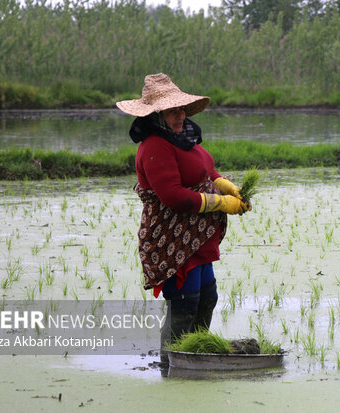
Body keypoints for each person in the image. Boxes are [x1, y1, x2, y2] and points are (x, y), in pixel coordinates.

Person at [116, 73, 250, 365]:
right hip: (172, 236)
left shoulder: (184, 137)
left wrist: (226, 185)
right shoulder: (155, 145)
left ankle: (198, 353)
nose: (180, 115)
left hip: (197, 234)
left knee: (207, 297)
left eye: (181, 109)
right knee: (185, 303)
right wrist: (220, 202)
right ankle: (173, 363)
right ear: (156, 115)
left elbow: (205, 170)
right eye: (172, 111)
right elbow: (172, 196)